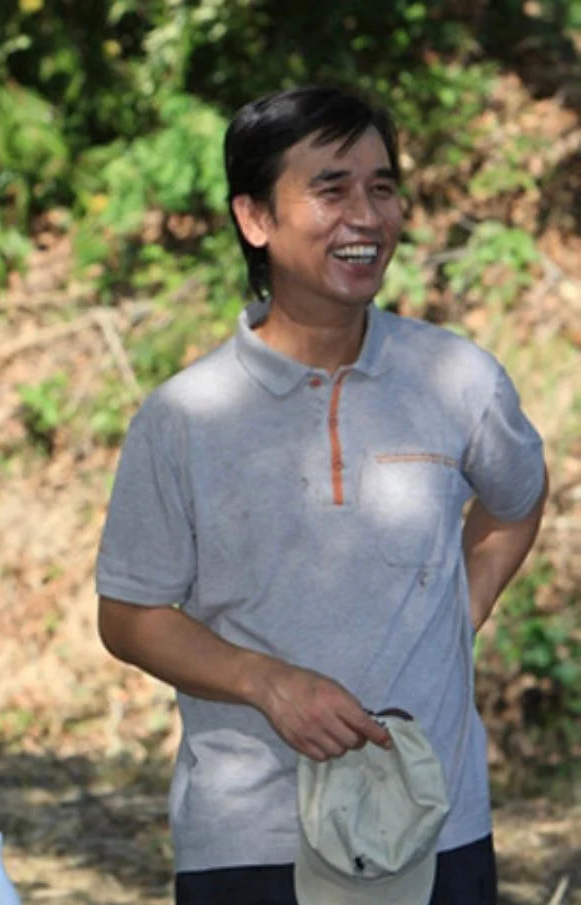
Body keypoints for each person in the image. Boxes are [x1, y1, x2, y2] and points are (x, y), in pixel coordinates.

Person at [96, 85, 547, 905]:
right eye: (331, 189)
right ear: (255, 218)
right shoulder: (183, 417)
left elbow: (517, 500)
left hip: (431, 821)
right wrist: (265, 681)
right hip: (250, 834)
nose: (366, 216)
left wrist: (457, 614)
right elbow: (131, 616)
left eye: (382, 187)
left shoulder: (457, 378)